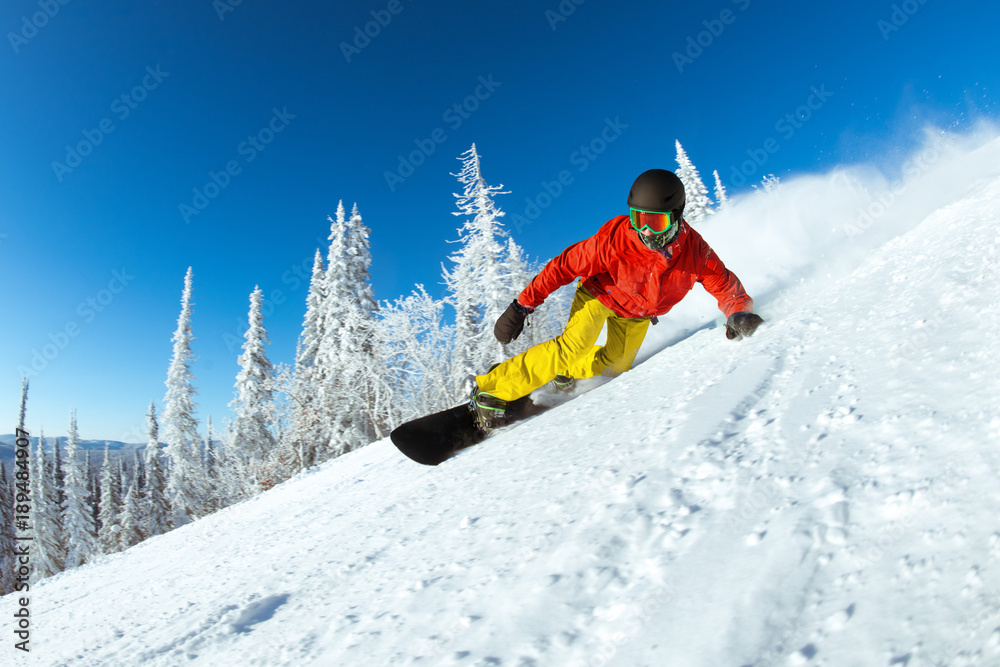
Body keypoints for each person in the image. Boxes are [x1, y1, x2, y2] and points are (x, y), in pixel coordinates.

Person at [469, 168, 764, 431]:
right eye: (639, 219)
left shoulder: (695, 252)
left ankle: (566, 373)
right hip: (600, 296)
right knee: (573, 347)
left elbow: (723, 283)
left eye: (656, 222)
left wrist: (737, 312)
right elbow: (562, 267)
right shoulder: (615, 240)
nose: (646, 231)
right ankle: (492, 390)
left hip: (636, 314)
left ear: (677, 216)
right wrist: (522, 306)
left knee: (616, 365)